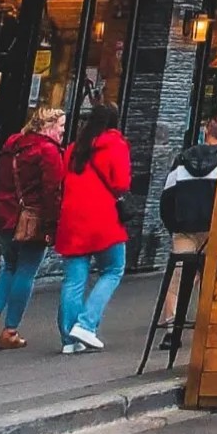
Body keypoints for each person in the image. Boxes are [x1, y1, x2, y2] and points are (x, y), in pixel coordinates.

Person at [0, 106, 68, 350]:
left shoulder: (12, 144)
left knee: (8, 267)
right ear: (47, 126)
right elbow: (52, 192)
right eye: (60, 126)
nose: (63, 131)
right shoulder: (49, 151)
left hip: (4, 215)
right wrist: (52, 225)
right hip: (31, 219)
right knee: (26, 271)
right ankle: (10, 331)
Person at [55, 103, 131, 353]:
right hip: (103, 217)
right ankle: (86, 324)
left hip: (72, 217)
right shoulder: (116, 145)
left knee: (74, 280)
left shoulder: (74, 149)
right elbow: (121, 183)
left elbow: (63, 179)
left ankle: (69, 339)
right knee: (113, 269)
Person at [153, 115, 217, 349]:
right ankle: (208, 330)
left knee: (177, 278)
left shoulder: (183, 160)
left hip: (184, 228)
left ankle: (172, 331)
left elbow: (167, 197)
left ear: (207, 130)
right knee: (212, 279)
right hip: (213, 229)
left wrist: (174, 225)